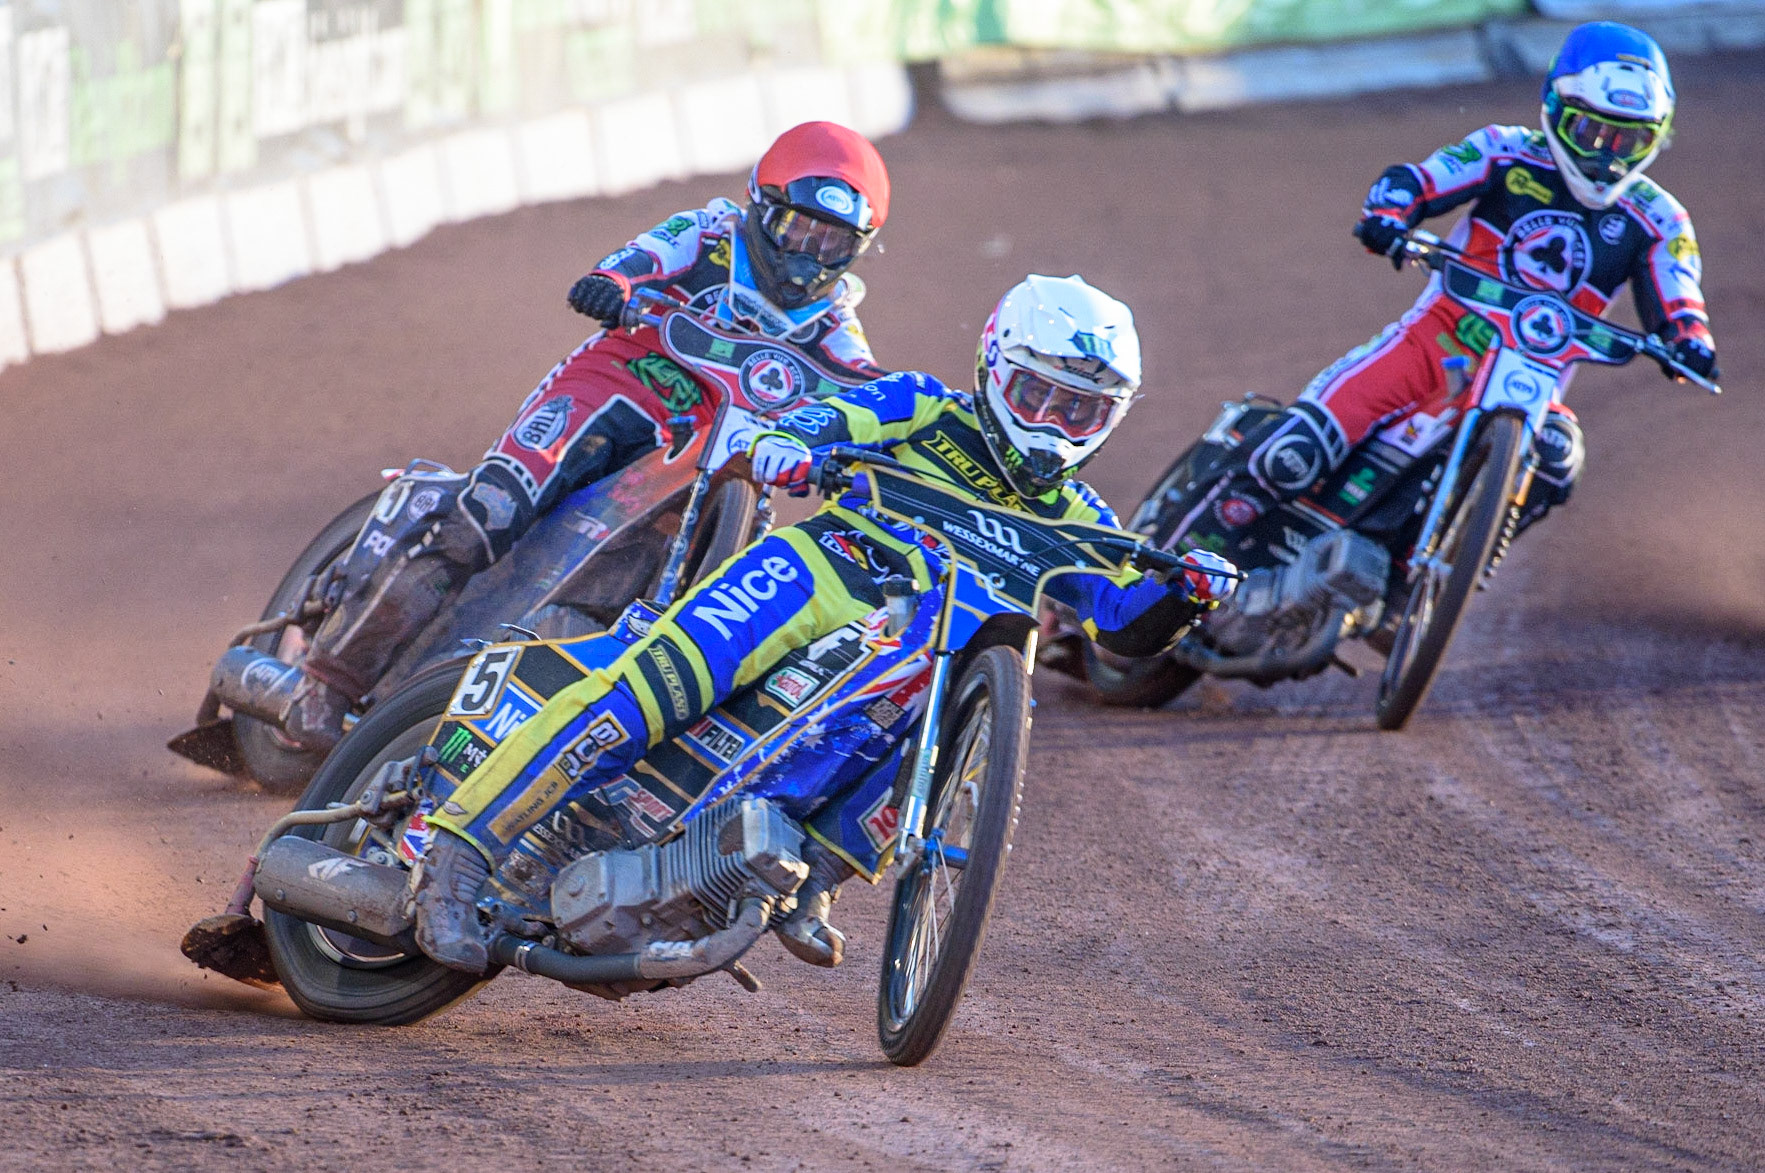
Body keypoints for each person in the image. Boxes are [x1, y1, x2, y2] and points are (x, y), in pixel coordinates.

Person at [411, 274, 1240, 974]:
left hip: (921, 650)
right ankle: (454, 857)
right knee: (653, 687)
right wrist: (792, 443)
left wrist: (1193, 590)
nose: (1053, 424)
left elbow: (1129, 630)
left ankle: (814, 876)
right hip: (824, 570)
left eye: (1081, 411)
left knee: (969, 710)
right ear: (994, 367)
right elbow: (832, 416)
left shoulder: (1085, 520)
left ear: (1110, 419)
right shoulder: (925, 407)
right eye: (1038, 395)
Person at [280, 121, 893, 751]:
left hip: (708, 446)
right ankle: (326, 682)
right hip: (615, 388)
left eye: (831, 242)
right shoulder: (709, 234)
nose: (806, 257)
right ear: (760, 207)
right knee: (494, 507)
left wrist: (884, 439)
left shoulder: (836, 323)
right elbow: (640, 259)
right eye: (797, 230)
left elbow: (866, 392)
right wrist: (616, 286)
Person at [1181, 22, 1716, 555]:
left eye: (1630, 140)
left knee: (1557, 459)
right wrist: (1389, 214)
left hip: (1535, 386)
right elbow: (1420, 179)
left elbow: (1680, 293)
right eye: (1593, 132)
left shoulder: (1660, 218)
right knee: (1292, 454)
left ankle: (1434, 572)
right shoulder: (1505, 150)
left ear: (1658, 134)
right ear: (1556, 109)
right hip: (1431, 347)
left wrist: (1691, 340)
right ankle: (1168, 571)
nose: (1607, 156)